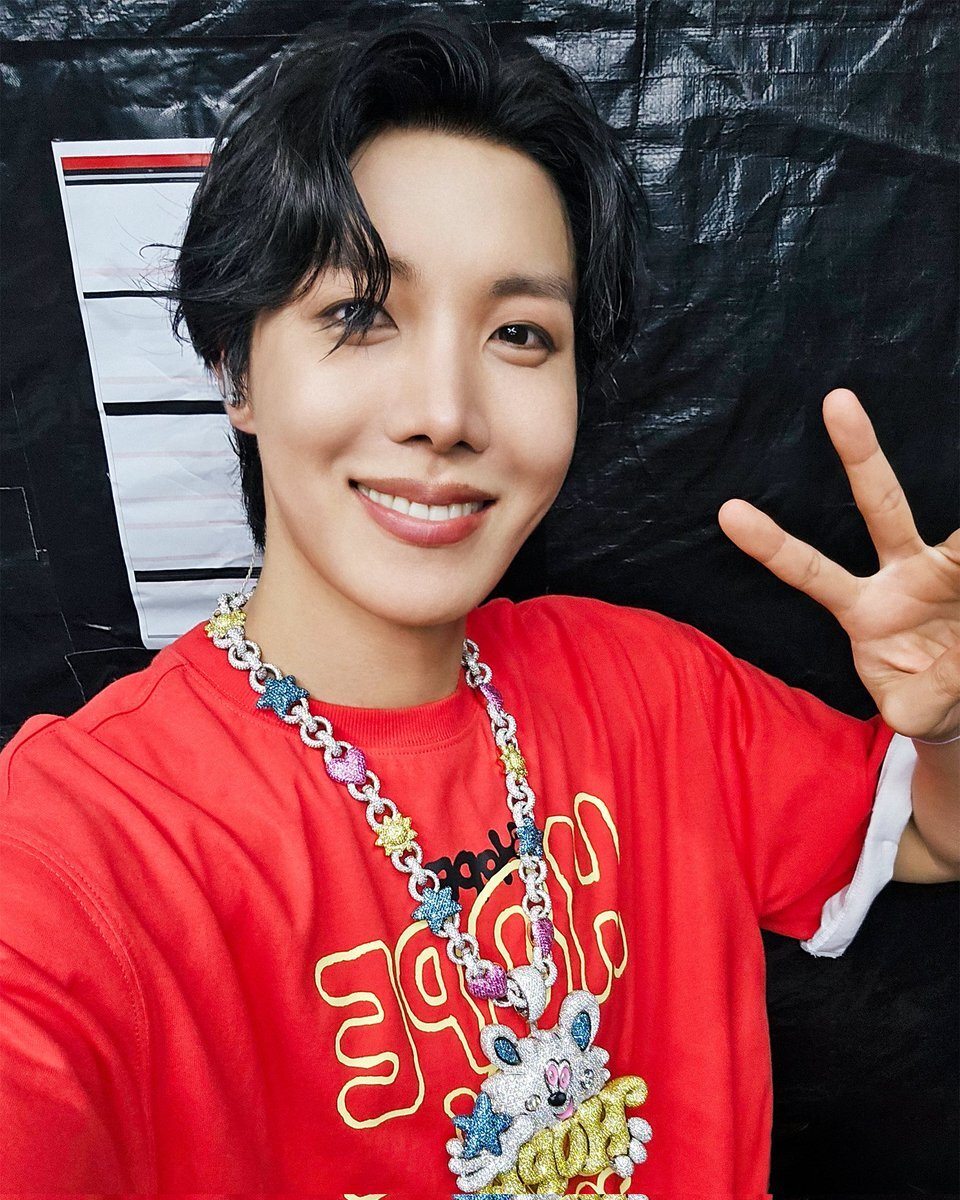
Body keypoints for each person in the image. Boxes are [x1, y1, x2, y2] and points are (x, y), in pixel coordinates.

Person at [1, 12, 957, 1196]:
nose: (445, 413)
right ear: (238, 369)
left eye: (518, 332)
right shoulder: (85, 844)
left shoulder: (650, 689)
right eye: (359, 312)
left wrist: (950, 722)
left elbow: (931, 834)